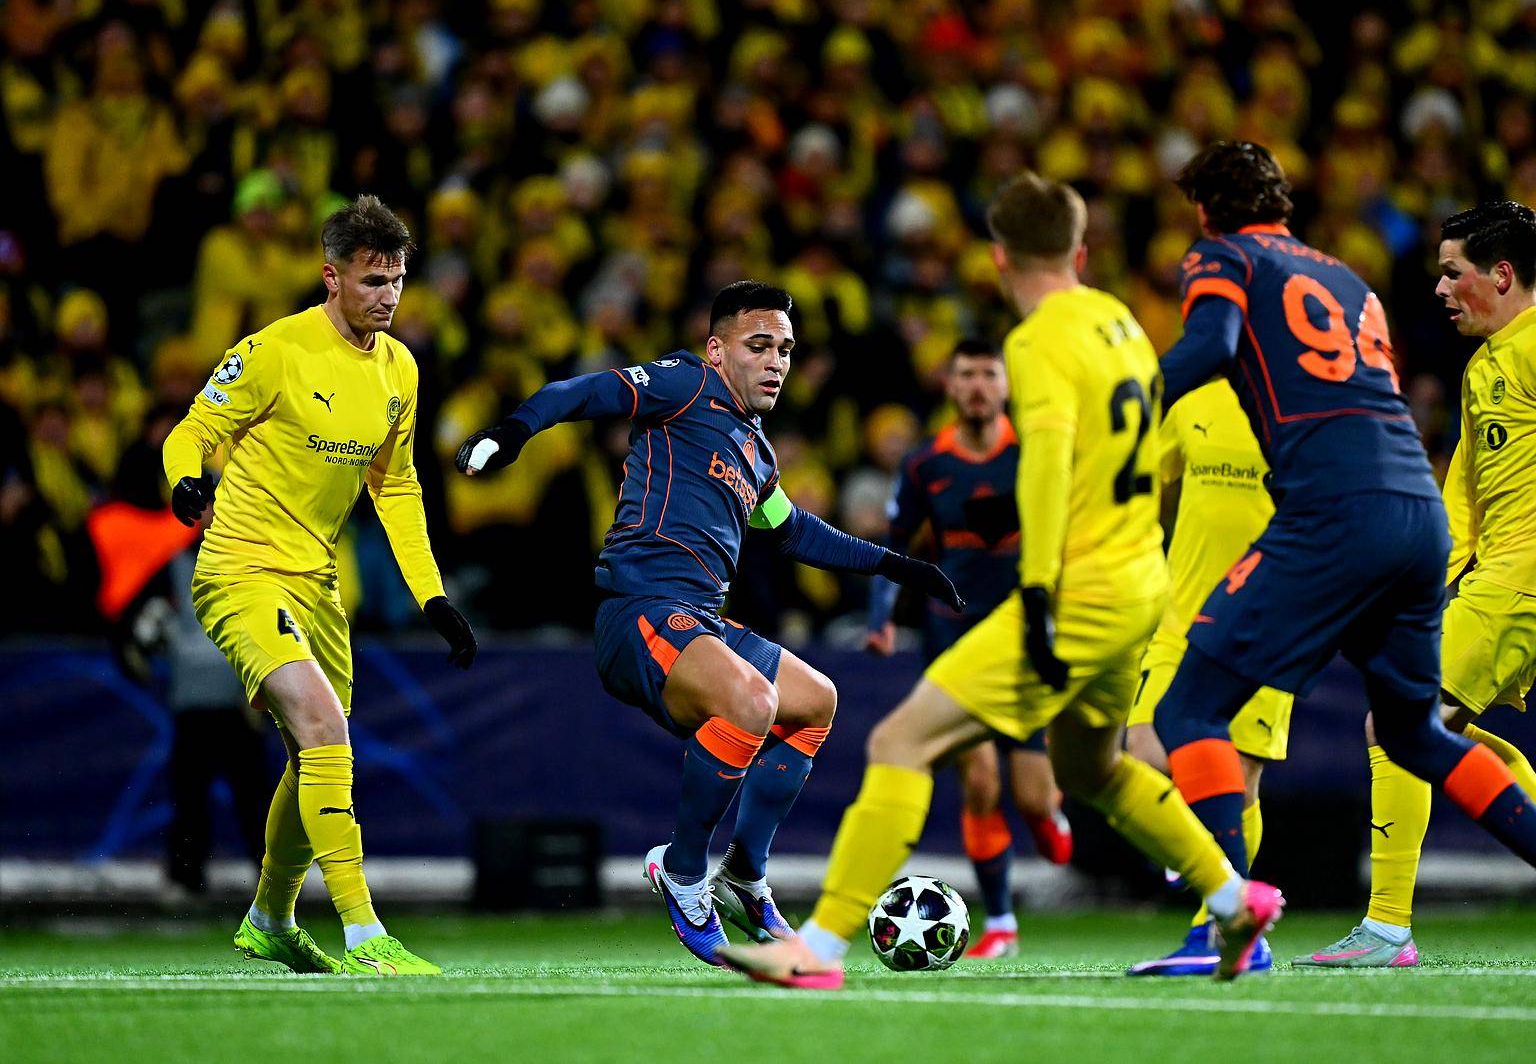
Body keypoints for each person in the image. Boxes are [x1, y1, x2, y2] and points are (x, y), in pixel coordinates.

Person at [716, 173, 1276, 991]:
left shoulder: (1039, 340)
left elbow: (1044, 463)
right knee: (1092, 770)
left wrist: (1039, 591)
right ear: (1079, 250)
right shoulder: (1121, 320)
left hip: (1078, 591)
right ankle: (1231, 896)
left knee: (899, 742)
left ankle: (818, 949)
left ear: (999, 256)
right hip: (1139, 585)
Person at [1152, 142, 1536, 975]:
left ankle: (1227, 921)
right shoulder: (1346, 280)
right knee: (1413, 731)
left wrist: (1124, 392)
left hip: (1332, 510)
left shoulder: (1223, 256)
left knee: (1188, 708)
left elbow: (1211, 342)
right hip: (1415, 510)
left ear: (1205, 210)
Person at [454, 280, 963, 967]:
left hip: (698, 619)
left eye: (786, 349)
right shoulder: (686, 384)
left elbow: (793, 532)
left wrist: (898, 566)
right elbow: (579, 392)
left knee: (814, 701)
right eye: (760, 345)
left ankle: (743, 874)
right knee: (752, 702)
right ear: (718, 349)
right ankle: (684, 870)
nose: (776, 361)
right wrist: (512, 431)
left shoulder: (757, 452)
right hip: (638, 610)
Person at [1296, 200, 1536, 968]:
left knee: (1398, 723)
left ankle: (1388, 926)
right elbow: (1465, 491)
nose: (1439, 287)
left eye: (1452, 271)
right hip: (1504, 575)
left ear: (1501, 274)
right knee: (1439, 732)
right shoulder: (1488, 360)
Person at [164, 195, 477, 976]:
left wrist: (431, 594)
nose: (388, 296)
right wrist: (184, 481)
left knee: (315, 753)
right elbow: (192, 430)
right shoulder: (274, 350)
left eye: (397, 280)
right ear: (331, 277)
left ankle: (269, 917)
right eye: (372, 280)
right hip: (240, 567)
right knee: (323, 724)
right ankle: (365, 930)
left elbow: (396, 486)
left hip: (319, 584)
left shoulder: (400, 368)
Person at [864, 337, 1071, 960]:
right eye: (967, 375)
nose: (978, 386)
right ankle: (1002, 921)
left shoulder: (1035, 452)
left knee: (1033, 795)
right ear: (950, 386)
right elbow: (893, 546)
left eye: (988, 374)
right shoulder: (925, 463)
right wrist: (881, 617)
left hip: (1022, 633)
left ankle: (1048, 813)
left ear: (1006, 386)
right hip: (951, 632)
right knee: (978, 779)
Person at [1124, 378, 1288, 976]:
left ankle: (1218, 930)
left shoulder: (1295, 403)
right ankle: (1193, 847)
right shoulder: (1192, 401)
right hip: (1182, 619)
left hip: (1267, 620)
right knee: (1142, 754)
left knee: (1240, 783)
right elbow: (1144, 486)